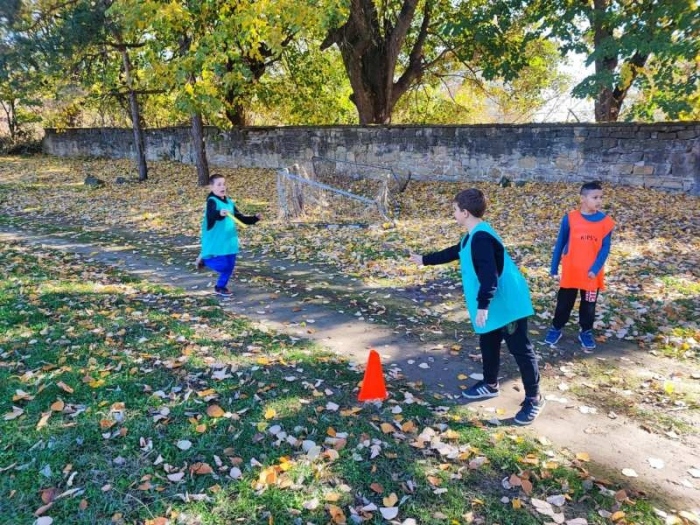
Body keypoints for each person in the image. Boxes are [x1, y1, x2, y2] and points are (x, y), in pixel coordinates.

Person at [409, 188, 544, 425]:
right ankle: (490, 384)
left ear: (465, 212)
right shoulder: (471, 236)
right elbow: (455, 252)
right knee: (488, 341)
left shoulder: (481, 237)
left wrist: (483, 306)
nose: (453, 213)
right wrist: (424, 260)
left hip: (506, 304)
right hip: (493, 303)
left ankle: (534, 398)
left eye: (454, 209)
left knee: (520, 349)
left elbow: (489, 276)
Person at [544, 181, 615, 350]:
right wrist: (554, 268)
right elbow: (560, 242)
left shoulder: (606, 222)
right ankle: (556, 328)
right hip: (571, 272)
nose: (598, 201)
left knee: (589, 306)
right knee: (563, 304)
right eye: (594, 197)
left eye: (600, 197)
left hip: (591, 275)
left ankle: (586, 331)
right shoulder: (570, 218)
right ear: (583, 198)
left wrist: (595, 269)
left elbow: (605, 249)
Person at [196, 173, 261, 296]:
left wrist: (254, 219)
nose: (223, 187)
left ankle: (220, 287)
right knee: (224, 266)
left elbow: (239, 217)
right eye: (219, 184)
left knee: (230, 266)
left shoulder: (229, 202)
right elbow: (211, 214)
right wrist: (219, 213)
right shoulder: (212, 201)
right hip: (216, 240)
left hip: (229, 240)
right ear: (211, 187)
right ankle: (205, 260)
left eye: (224, 184)